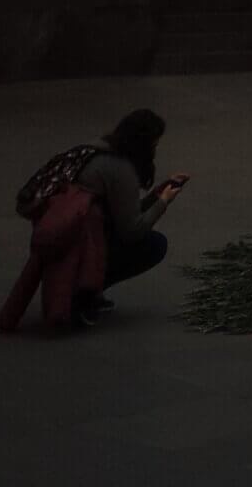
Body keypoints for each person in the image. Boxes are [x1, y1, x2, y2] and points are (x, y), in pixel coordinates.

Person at [71, 107, 190, 325]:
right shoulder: (120, 169)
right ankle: (86, 290)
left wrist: (157, 193)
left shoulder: (100, 150)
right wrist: (164, 202)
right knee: (154, 245)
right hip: (84, 241)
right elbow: (132, 230)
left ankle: (87, 287)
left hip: (76, 232)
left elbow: (123, 210)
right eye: (155, 143)